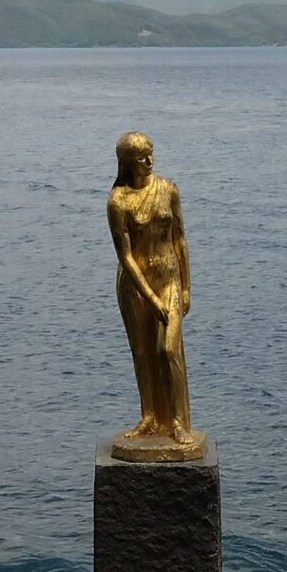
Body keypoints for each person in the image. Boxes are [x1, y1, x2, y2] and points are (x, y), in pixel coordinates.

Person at [107, 131, 193, 444]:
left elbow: (179, 238)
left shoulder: (168, 189)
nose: (148, 161)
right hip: (135, 286)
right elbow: (126, 257)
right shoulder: (118, 201)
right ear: (127, 163)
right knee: (143, 352)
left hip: (168, 279)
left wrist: (186, 287)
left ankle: (177, 420)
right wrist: (150, 298)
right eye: (140, 157)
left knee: (167, 349)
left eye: (150, 153)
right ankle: (150, 416)